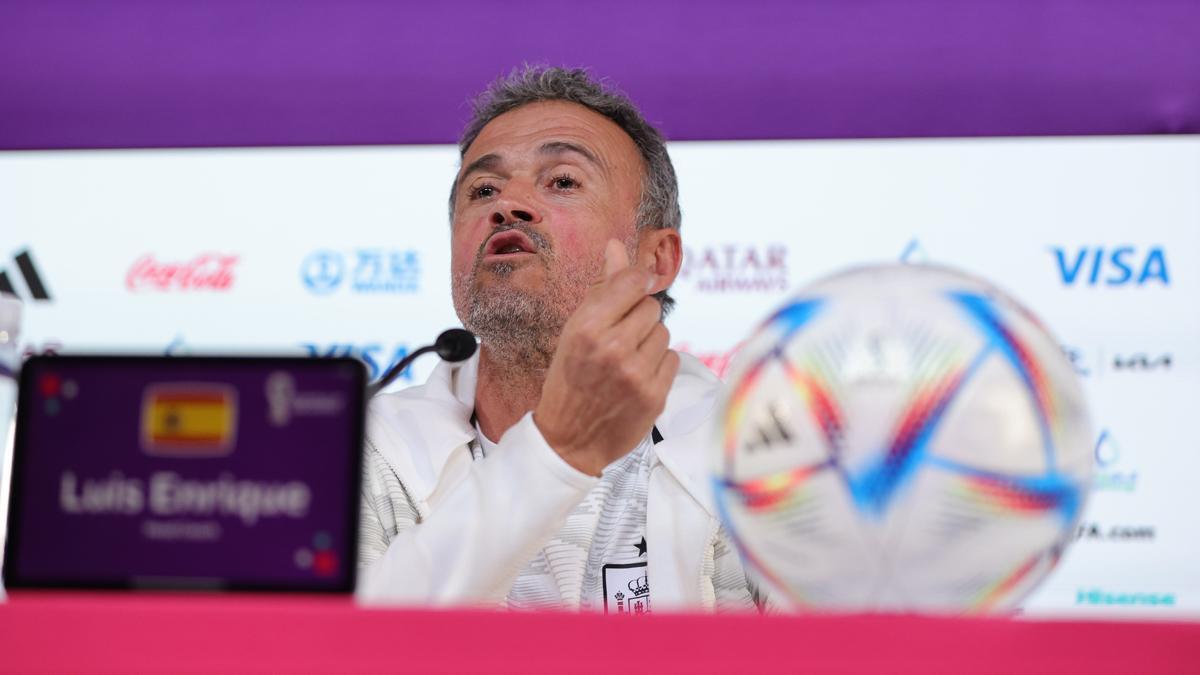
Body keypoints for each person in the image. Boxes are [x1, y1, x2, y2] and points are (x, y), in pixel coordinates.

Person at [357, 66, 759, 612]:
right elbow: (332, 647)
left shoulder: (751, 449)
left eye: (563, 181)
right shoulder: (367, 453)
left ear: (657, 258)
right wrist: (558, 452)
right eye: (483, 189)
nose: (508, 206)